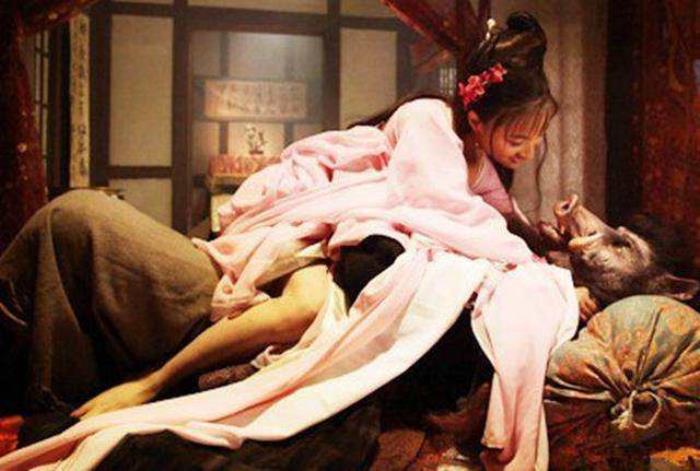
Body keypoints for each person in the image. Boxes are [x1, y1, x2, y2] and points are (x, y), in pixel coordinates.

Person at [0, 11, 579, 471]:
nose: (529, 151)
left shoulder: (481, 173)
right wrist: (526, 260)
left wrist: (550, 241)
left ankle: (80, 396)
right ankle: (115, 386)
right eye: (519, 137)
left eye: (537, 139)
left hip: (328, 247)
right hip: (320, 218)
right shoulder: (431, 120)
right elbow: (441, 206)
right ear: (476, 119)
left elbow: (500, 222)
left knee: (78, 225)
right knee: (77, 222)